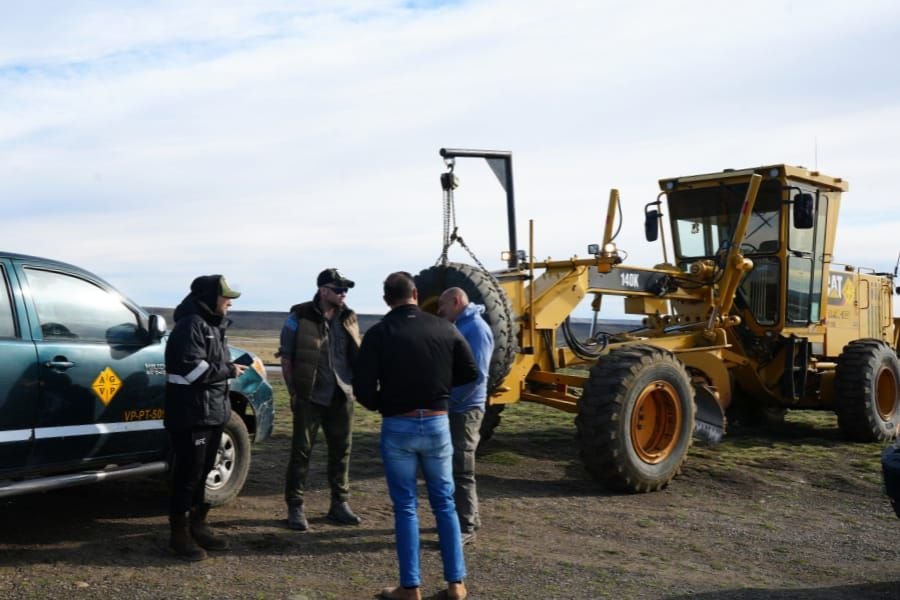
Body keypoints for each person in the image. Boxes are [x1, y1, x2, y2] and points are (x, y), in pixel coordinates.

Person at [354, 272, 478, 600]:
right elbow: (471, 372)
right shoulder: (445, 327)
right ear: (416, 293)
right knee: (445, 503)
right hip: (437, 423)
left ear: (386, 299)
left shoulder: (379, 333)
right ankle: (457, 585)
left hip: (398, 425)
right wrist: (438, 391)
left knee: (406, 506)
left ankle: (411, 588)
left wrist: (388, 403)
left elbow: (363, 389)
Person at [164, 274, 246, 561]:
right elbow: (192, 370)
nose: (230, 303)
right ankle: (178, 535)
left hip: (212, 412)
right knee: (187, 476)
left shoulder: (214, 326)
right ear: (209, 297)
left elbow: (209, 366)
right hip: (191, 416)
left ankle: (198, 526)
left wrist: (224, 368)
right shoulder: (190, 326)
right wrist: (229, 370)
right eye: (226, 297)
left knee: (203, 473)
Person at [280, 268, 362, 530]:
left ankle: (340, 504)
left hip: (341, 394)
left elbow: (355, 354)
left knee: (341, 451)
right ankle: (295, 506)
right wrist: (295, 392)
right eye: (338, 289)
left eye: (345, 290)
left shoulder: (349, 317)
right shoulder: (299, 316)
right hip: (311, 396)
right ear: (322, 290)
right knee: (301, 452)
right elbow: (287, 357)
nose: (343, 294)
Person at [437, 287, 494, 545]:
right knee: (453, 466)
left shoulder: (476, 330)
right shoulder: (463, 326)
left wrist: (451, 401)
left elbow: (477, 376)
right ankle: (466, 519)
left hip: (466, 409)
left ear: (457, 301)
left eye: (443, 305)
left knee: (461, 469)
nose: (440, 311)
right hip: (459, 407)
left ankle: (466, 527)